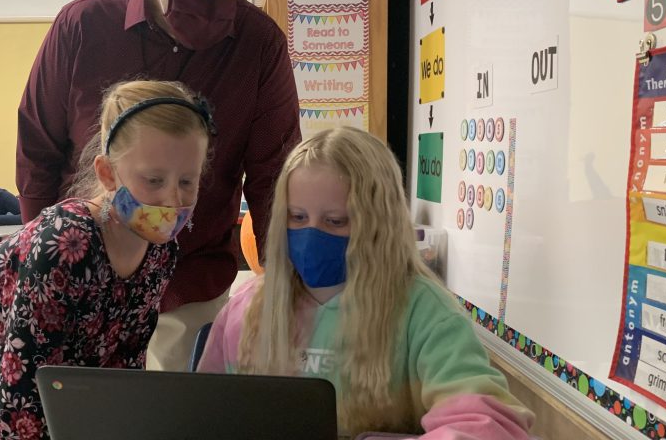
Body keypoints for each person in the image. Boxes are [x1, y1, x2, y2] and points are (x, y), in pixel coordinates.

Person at [16, 0, 300, 371]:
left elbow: (274, 176)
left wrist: (287, 287)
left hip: (190, 279)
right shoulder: (84, 26)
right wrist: (43, 258)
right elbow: (38, 149)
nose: (208, 4)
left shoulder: (259, 44)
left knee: (175, 417)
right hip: (82, 271)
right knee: (79, 411)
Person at [0, 81, 215, 439]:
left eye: (188, 180)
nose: (172, 198)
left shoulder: (161, 250)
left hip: (26, 394)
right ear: (108, 174)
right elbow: (20, 395)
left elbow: (124, 365)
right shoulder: (66, 242)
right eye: (154, 179)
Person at [198, 127, 535, 439]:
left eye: (335, 221)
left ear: (378, 225)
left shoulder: (425, 313)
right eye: (297, 217)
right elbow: (202, 412)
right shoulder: (248, 307)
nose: (311, 234)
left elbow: (487, 424)